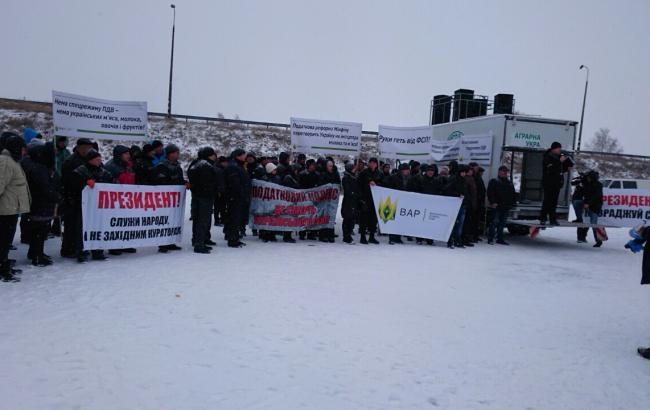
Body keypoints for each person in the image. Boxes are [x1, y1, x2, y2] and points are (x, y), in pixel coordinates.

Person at [66, 149, 114, 263]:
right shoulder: (80, 172)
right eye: (97, 159)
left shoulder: (103, 172)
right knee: (83, 229)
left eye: (100, 159)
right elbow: (72, 188)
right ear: (90, 160)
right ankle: (81, 252)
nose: (99, 161)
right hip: (83, 206)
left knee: (98, 228)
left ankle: (97, 251)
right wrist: (85, 184)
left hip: (99, 206)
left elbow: (111, 183)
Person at [20, 142, 60, 266]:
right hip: (41, 204)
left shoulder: (32, 165)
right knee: (40, 231)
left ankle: (35, 252)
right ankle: (37, 255)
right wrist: (57, 197)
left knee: (39, 230)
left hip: (37, 203)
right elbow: (45, 188)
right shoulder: (39, 169)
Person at [0, 134, 31, 282]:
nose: (24, 152)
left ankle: (4, 263)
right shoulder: (5, 161)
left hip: (11, 208)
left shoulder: (12, 160)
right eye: (23, 149)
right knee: (3, 240)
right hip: (5, 210)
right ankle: (2, 269)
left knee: (6, 241)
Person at [60, 138, 94, 258]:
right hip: (73, 197)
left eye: (90, 147)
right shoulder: (71, 161)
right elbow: (69, 181)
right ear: (80, 147)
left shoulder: (86, 159)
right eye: (86, 147)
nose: (88, 150)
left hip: (83, 198)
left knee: (80, 224)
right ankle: (68, 249)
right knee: (71, 225)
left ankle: (77, 246)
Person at [152, 144, 185, 253]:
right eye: (176, 153)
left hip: (175, 199)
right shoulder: (162, 166)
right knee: (164, 221)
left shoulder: (177, 166)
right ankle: (162, 244)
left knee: (173, 220)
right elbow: (161, 182)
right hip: (164, 199)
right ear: (170, 154)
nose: (178, 155)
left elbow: (179, 180)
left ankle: (170, 241)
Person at [104, 145, 138, 255]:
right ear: (120, 155)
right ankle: (113, 246)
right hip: (115, 199)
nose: (129, 155)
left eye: (129, 153)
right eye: (126, 154)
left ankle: (124, 243)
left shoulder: (129, 165)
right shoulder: (110, 166)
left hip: (127, 199)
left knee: (126, 223)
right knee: (115, 223)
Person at [188, 147, 219, 254]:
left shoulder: (195, 164)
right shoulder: (206, 166)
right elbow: (208, 182)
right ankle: (199, 244)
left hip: (196, 195)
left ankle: (196, 240)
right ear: (209, 155)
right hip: (205, 197)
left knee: (197, 219)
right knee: (203, 220)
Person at [223, 149, 251, 248]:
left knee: (237, 218)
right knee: (234, 218)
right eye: (244, 155)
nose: (245, 157)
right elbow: (235, 184)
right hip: (235, 197)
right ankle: (232, 239)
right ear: (238, 156)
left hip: (239, 197)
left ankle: (234, 236)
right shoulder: (233, 167)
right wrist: (241, 193)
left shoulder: (239, 165)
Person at [540, 141, 571, 225]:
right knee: (547, 200)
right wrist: (559, 162)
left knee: (554, 202)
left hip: (557, 183)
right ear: (553, 149)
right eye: (558, 149)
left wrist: (566, 168)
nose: (559, 150)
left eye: (560, 149)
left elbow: (558, 169)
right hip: (548, 182)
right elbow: (551, 169)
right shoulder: (548, 157)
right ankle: (543, 218)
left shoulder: (558, 157)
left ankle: (552, 219)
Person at [486, 165, 516, 245]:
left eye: (506, 171)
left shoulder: (509, 182)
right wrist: (493, 202)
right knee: (494, 223)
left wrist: (513, 203)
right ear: (499, 172)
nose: (505, 173)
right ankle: (490, 239)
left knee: (502, 224)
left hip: (506, 206)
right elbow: (490, 193)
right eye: (503, 171)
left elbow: (513, 194)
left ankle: (500, 239)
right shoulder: (494, 181)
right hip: (497, 206)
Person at [357, 157, 383, 244]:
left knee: (373, 219)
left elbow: (383, 184)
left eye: (374, 163)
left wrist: (376, 184)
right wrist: (361, 198)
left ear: (376, 164)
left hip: (375, 199)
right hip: (365, 199)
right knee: (364, 219)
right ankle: (362, 237)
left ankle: (372, 236)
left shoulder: (379, 173)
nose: (372, 164)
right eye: (371, 163)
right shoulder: (363, 173)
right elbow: (358, 185)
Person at [386, 163, 411, 245]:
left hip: (405, 202)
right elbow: (389, 188)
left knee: (401, 220)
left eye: (407, 170)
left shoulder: (410, 178)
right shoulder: (393, 177)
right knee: (393, 219)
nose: (406, 171)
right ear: (401, 170)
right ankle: (392, 237)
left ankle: (398, 237)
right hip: (394, 201)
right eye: (405, 170)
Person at [444, 164, 468, 248]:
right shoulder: (454, 179)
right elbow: (447, 190)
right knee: (453, 224)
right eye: (463, 172)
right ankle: (450, 241)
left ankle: (457, 240)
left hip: (462, 205)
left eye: (465, 172)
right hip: (454, 205)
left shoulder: (464, 180)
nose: (464, 174)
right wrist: (458, 195)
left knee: (460, 224)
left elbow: (466, 192)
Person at [578, 170, 604, 248]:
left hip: (595, 207)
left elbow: (596, 196)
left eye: (589, 177)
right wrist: (583, 176)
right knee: (586, 223)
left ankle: (599, 240)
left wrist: (588, 203)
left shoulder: (598, 185)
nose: (588, 179)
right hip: (588, 206)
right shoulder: (588, 184)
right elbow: (583, 182)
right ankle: (582, 237)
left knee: (593, 224)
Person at [318, 159, 340, 243]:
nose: (331, 168)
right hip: (324, 199)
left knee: (331, 216)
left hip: (332, 199)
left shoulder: (335, 174)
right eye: (329, 166)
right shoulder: (322, 174)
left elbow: (338, 184)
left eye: (332, 166)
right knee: (324, 215)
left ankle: (330, 234)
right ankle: (323, 235)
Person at [298, 159, 320, 240]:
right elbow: (299, 186)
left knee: (313, 215)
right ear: (309, 165)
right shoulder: (302, 174)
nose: (314, 166)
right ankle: (302, 233)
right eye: (313, 165)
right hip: (304, 197)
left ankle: (312, 233)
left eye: (315, 165)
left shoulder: (317, 174)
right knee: (304, 215)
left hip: (314, 198)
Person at [341, 162, 360, 244]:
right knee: (347, 219)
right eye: (353, 168)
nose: (355, 169)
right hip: (348, 202)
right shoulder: (346, 178)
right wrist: (354, 193)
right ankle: (346, 236)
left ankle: (349, 234)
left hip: (354, 201)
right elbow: (348, 190)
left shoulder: (354, 177)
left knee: (352, 219)